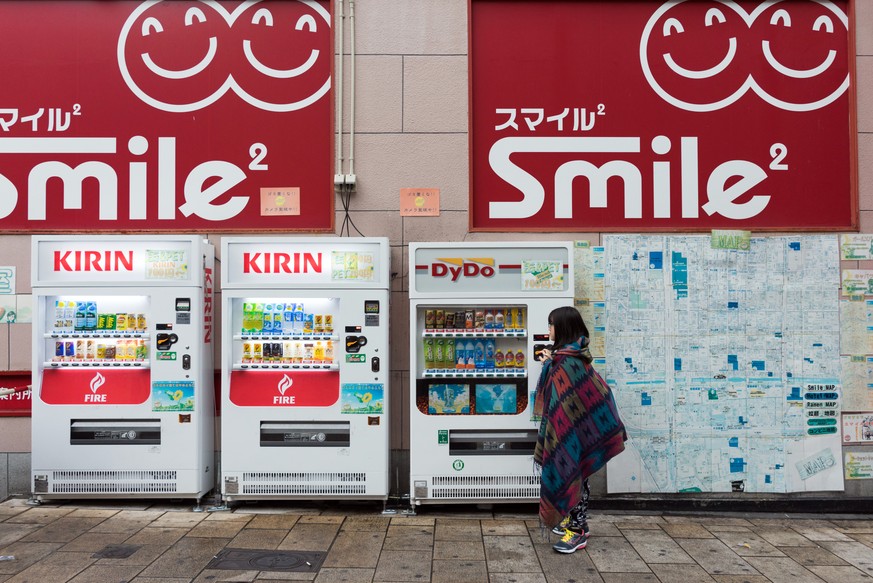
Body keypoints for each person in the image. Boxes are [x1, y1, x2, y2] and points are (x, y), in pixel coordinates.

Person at [533, 306, 627, 554]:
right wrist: (549, 363)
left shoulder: (568, 361)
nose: (549, 330)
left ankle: (578, 530)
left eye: (551, 325)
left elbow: (568, 396)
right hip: (579, 430)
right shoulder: (570, 356)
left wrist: (550, 365)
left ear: (562, 328)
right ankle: (570, 520)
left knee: (575, 471)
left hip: (576, 432)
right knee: (576, 472)